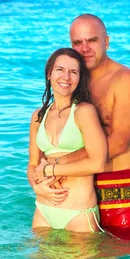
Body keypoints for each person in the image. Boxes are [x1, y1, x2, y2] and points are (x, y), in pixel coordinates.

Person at [33, 14, 130, 240]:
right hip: (78, 191)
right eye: (78, 43)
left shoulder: (125, 81)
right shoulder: (74, 85)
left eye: (92, 41)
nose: (84, 48)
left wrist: (56, 164)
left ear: (106, 42)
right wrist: (40, 181)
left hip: (119, 189)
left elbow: (118, 142)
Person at [27, 48, 108, 233]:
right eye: (60, 70)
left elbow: (98, 163)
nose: (66, 77)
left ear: (79, 79)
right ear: (49, 74)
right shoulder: (38, 117)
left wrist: (51, 169)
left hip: (78, 213)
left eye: (73, 72)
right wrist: (37, 188)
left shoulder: (84, 112)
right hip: (43, 210)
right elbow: (32, 164)